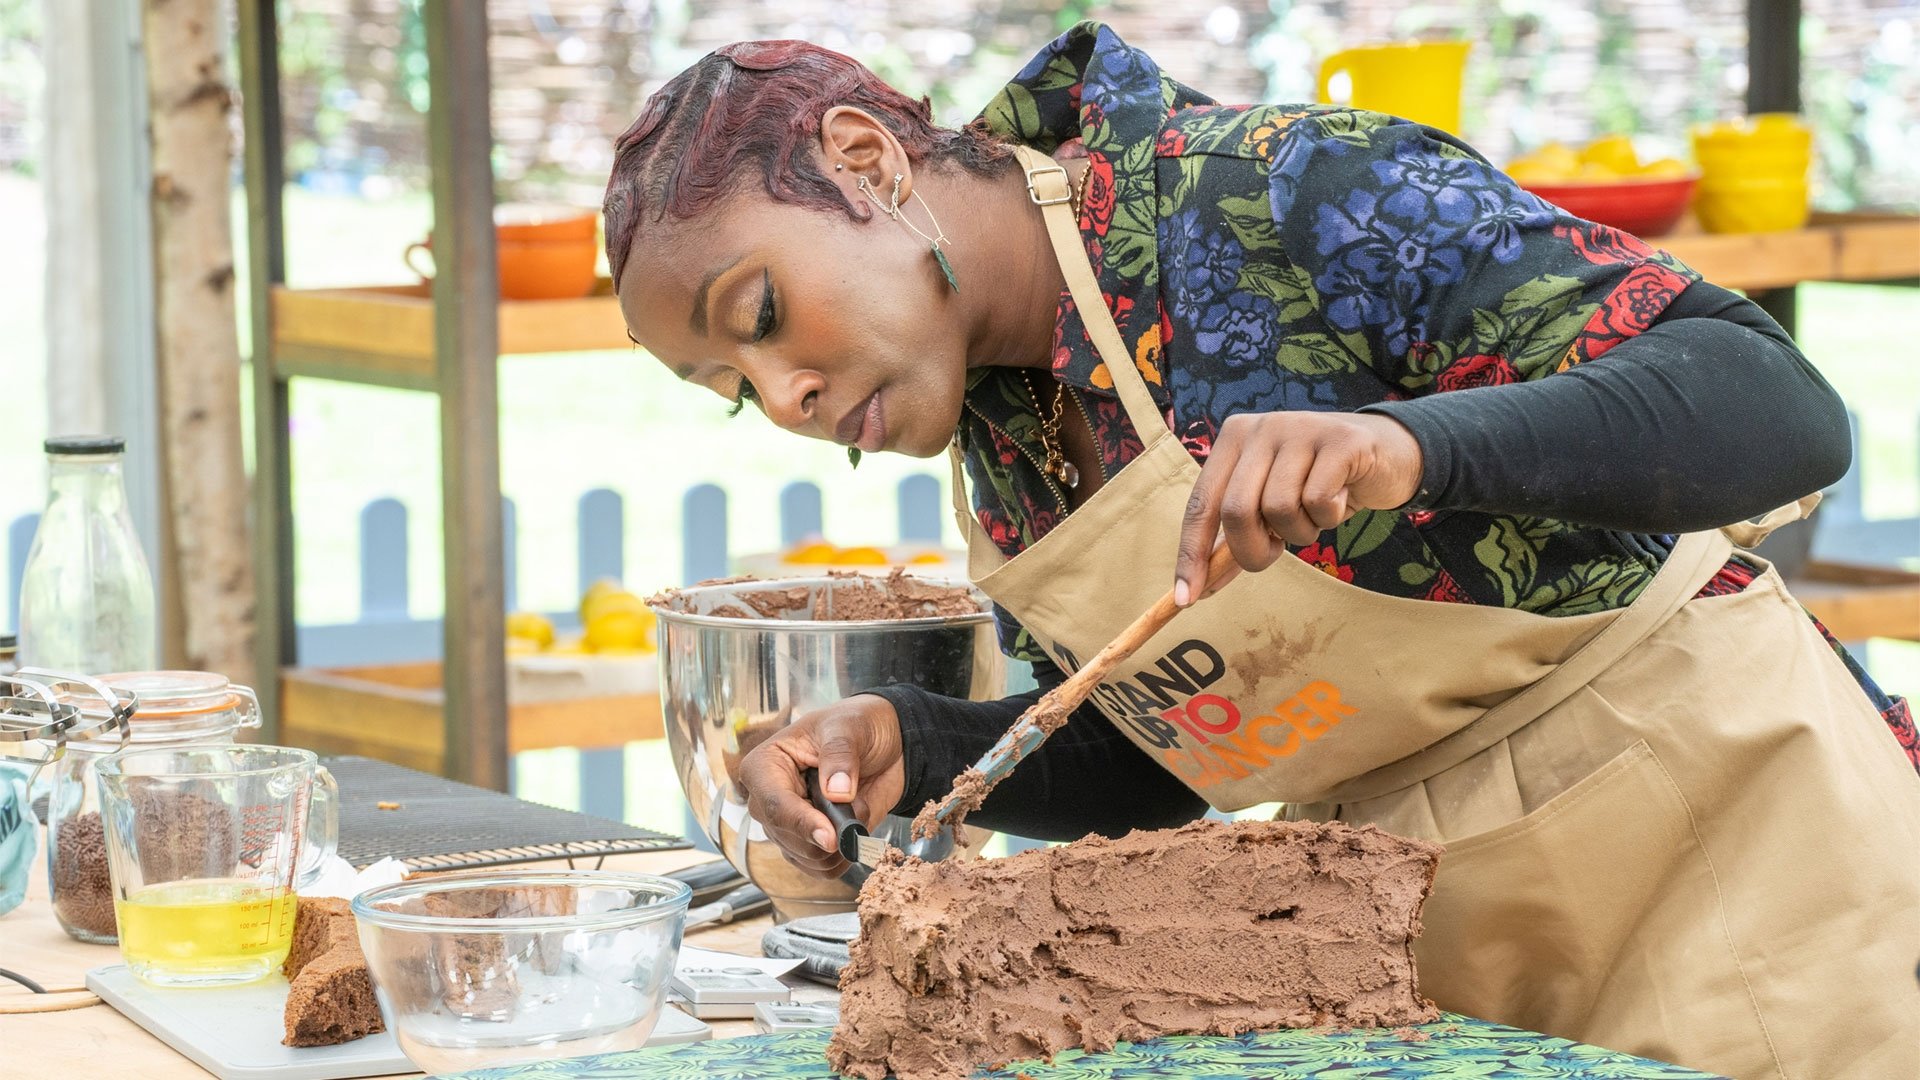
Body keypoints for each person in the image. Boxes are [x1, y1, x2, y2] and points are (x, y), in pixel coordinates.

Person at [605, 23, 1920, 1077]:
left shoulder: (1288, 194)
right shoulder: (1004, 461)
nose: (784, 400)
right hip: (1436, 914)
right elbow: (1178, 762)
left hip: (1724, 838)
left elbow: (1774, 404)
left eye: (762, 315)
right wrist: (929, 745)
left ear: (865, 161)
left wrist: (1408, 448)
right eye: (734, 384)